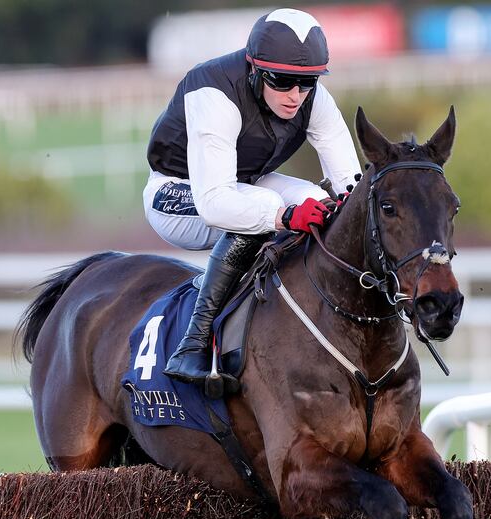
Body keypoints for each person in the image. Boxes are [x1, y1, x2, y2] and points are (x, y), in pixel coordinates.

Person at [143, 8, 362, 385]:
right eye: (281, 81)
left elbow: (351, 184)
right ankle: (193, 345)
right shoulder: (213, 91)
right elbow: (215, 204)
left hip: (246, 184)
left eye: (306, 83)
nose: (296, 97)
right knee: (262, 212)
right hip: (179, 194)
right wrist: (285, 217)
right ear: (256, 70)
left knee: (321, 204)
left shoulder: (313, 99)